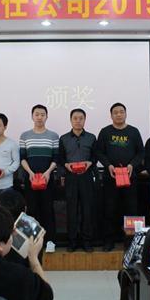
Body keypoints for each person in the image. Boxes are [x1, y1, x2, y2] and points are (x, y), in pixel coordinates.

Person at [96, 103, 145, 251]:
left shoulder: (133, 131)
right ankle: (109, 240)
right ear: (111, 115)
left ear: (126, 114)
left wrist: (132, 165)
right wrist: (108, 165)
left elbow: (141, 153)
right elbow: (99, 152)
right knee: (110, 209)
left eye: (121, 112)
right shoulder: (105, 132)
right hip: (111, 177)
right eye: (115, 112)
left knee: (131, 209)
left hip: (130, 177)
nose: (118, 114)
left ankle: (131, 242)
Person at [19, 104, 59, 252]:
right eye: (37, 114)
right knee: (31, 209)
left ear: (47, 117)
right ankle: (32, 242)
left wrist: (48, 172)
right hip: (30, 178)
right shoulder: (25, 136)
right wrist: (30, 172)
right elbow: (22, 158)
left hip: (47, 179)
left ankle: (50, 241)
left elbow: (56, 158)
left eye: (42, 114)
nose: (40, 117)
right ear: (32, 116)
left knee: (48, 209)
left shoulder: (53, 136)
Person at [58, 108, 97, 252]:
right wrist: (66, 166)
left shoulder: (91, 137)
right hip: (71, 177)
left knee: (87, 210)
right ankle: (72, 241)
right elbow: (60, 158)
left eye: (81, 118)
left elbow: (95, 156)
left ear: (85, 120)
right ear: (71, 120)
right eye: (75, 118)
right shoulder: (63, 138)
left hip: (86, 177)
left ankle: (87, 241)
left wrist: (90, 162)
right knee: (71, 210)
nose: (78, 121)